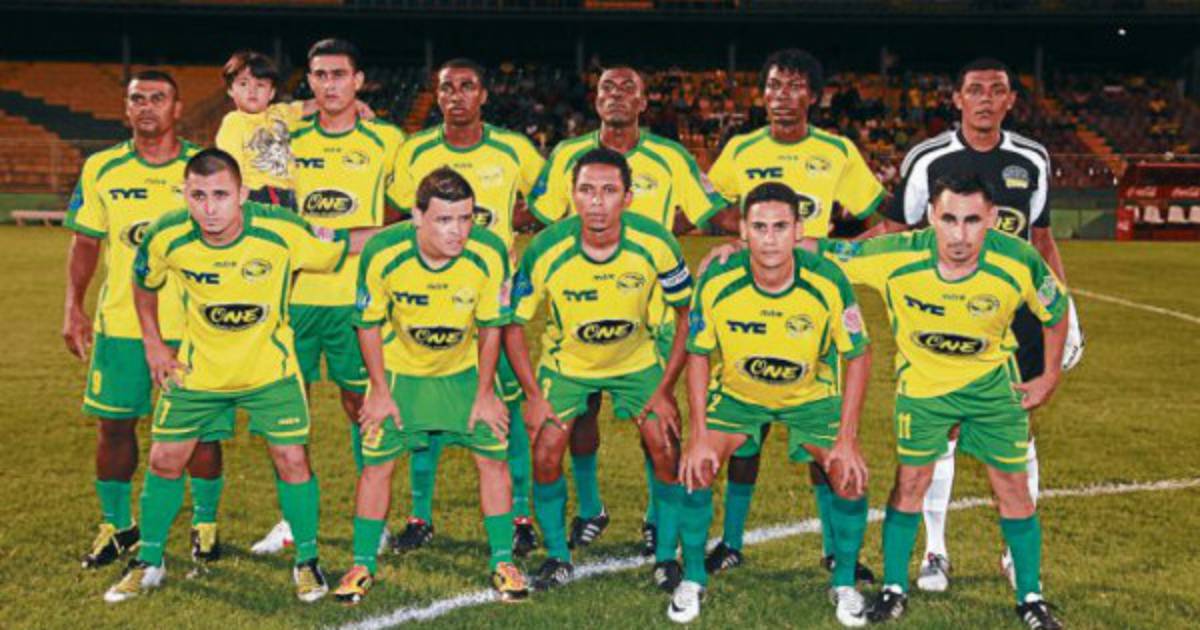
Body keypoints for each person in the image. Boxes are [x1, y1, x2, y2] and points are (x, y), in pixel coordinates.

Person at [105, 149, 374, 603]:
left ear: (242, 194)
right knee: (165, 460)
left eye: (221, 195)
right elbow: (143, 282)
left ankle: (307, 561)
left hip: (269, 370)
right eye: (199, 196)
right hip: (198, 370)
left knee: (292, 459)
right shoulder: (166, 234)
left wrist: (417, 227)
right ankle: (148, 561)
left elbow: (344, 241)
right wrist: (153, 342)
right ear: (184, 194)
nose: (210, 208)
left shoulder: (280, 228)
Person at [860, 57, 1082, 592]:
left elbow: (1041, 239)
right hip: (944, 309)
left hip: (1016, 316)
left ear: (1010, 101)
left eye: (996, 90)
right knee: (944, 431)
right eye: (975, 90)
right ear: (957, 99)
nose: (986, 99)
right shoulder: (928, 158)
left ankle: (1013, 553)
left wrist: (1065, 307)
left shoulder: (1032, 158)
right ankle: (935, 551)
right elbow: (893, 230)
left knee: (1018, 425)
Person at [825, 174, 1065, 629]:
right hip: (923, 390)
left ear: (992, 218)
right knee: (910, 482)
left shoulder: (1019, 260)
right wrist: (744, 247)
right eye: (949, 219)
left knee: (1013, 488)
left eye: (972, 220)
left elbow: (1055, 310)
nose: (959, 235)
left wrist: (1049, 376)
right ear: (931, 216)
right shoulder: (897, 254)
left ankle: (1031, 596)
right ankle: (894, 588)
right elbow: (825, 252)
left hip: (992, 387)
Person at [526, 64, 730, 557]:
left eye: (628, 88)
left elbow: (711, 212)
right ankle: (590, 507)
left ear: (643, 102)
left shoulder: (671, 157)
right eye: (607, 87)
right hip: (581, 315)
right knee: (581, 414)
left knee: (656, 424)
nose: (617, 94)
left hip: (653, 320)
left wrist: (755, 233)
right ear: (595, 100)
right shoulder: (567, 155)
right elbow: (542, 220)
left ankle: (657, 520)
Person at [703, 48, 884, 580]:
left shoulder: (836, 151)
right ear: (762, 95)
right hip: (750, 293)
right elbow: (708, 205)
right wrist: (742, 239)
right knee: (745, 426)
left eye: (795, 86)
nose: (783, 96)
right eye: (775, 86)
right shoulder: (740, 148)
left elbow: (883, 218)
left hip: (811, 301)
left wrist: (835, 254)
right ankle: (730, 542)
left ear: (814, 96)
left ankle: (833, 548)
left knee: (817, 428)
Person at [670, 182, 872, 627]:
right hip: (739, 396)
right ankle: (693, 578)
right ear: (743, 230)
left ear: (799, 230)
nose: (769, 239)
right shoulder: (718, 279)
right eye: (759, 227)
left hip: (810, 397)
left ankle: (844, 583)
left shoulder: (827, 279)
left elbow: (858, 355)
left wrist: (847, 439)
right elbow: (698, 355)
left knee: (849, 476)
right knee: (696, 469)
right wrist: (699, 437)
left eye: (780, 227)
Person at [333, 167, 528, 605]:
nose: (457, 231)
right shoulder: (383, 251)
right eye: (444, 220)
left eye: (465, 218)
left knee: (492, 457)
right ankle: (362, 564)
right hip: (401, 373)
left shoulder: (489, 252)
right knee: (376, 464)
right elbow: (367, 324)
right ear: (418, 216)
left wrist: (485, 394)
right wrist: (379, 390)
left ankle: (503, 560)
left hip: (464, 372)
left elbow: (491, 327)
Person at [505, 148, 692, 592]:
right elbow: (512, 325)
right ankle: (557, 556)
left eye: (609, 191)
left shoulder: (656, 242)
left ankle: (667, 556)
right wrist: (534, 395)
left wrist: (665, 388)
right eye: (586, 190)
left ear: (628, 197)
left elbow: (688, 315)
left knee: (666, 445)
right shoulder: (546, 248)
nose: (596, 201)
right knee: (545, 451)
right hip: (568, 365)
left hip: (636, 360)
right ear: (572, 195)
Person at [63, 69, 226, 571]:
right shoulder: (102, 168)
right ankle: (117, 525)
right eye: (138, 99)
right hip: (122, 326)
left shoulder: (205, 168)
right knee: (114, 426)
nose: (148, 106)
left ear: (177, 108)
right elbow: (85, 242)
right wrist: (73, 305)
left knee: (202, 431)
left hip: (196, 326)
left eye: (158, 98)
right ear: (126, 109)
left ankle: (205, 524)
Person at [251, 38, 406, 555]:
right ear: (309, 82)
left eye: (340, 74)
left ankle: (373, 519)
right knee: (286, 408)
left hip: (358, 300)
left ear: (358, 81)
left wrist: (350, 241)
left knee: (362, 404)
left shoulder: (386, 139)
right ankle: (291, 520)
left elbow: (406, 214)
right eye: (319, 75)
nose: (330, 84)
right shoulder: (285, 135)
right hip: (291, 296)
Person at [385, 58, 545, 557]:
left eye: (467, 86)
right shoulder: (416, 150)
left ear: (484, 95)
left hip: (492, 303)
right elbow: (400, 215)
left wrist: (513, 232)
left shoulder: (514, 149)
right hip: (431, 300)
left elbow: (549, 202)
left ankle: (519, 515)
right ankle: (420, 516)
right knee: (424, 413)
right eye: (447, 87)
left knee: (506, 409)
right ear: (436, 96)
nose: (457, 95)